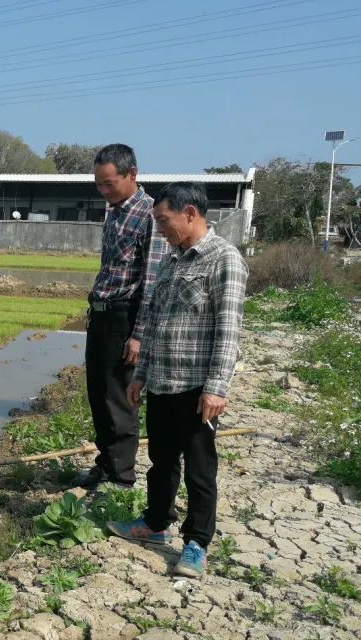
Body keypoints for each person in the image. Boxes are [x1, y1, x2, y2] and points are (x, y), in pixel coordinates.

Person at [106, 182, 248, 578]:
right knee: (161, 461)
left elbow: (229, 330)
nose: (161, 229)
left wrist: (217, 387)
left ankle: (197, 543)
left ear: (189, 213)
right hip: (163, 382)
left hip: (196, 388)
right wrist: (141, 375)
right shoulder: (171, 261)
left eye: (164, 220)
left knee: (200, 470)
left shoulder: (224, 260)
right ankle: (154, 524)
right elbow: (153, 322)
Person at [76, 144, 169, 490]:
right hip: (101, 315)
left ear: (132, 174)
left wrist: (139, 335)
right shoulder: (114, 210)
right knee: (98, 394)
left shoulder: (149, 214)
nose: (103, 190)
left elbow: (152, 279)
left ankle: (121, 478)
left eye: (109, 183)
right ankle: (105, 463)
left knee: (118, 398)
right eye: (98, 184)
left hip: (125, 318)